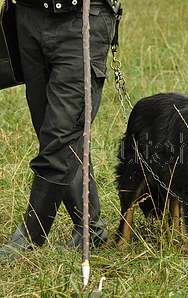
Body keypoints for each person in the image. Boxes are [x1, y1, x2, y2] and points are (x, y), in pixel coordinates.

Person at [0, 0, 119, 262]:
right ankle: (91, 228)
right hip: (27, 15)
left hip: (83, 19)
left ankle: (30, 237)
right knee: (50, 134)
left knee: (60, 135)